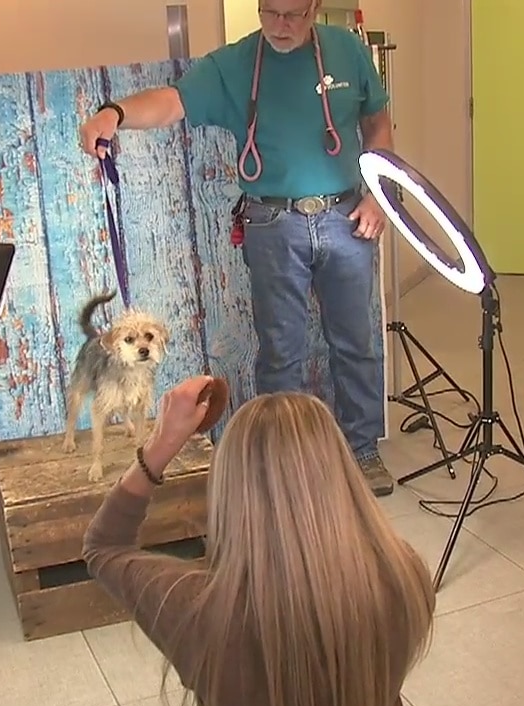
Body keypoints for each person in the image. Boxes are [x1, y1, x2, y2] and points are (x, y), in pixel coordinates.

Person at [77, 0, 397, 496]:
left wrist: (380, 195)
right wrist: (114, 114)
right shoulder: (236, 62)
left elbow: (377, 120)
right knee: (280, 353)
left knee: (355, 342)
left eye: (294, 14)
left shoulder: (347, 50)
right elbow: (171, 102)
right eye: (271, 12)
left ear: (314, 7)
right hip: (272, 222)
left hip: (346, 216)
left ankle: (361, 449)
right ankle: (283, 458)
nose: (282, 26)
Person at [83, 376, 436, 706]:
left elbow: (103, 546)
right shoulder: (404, 576)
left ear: (230, 491)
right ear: (340, 475)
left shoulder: (194, 606)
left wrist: (162, 443)